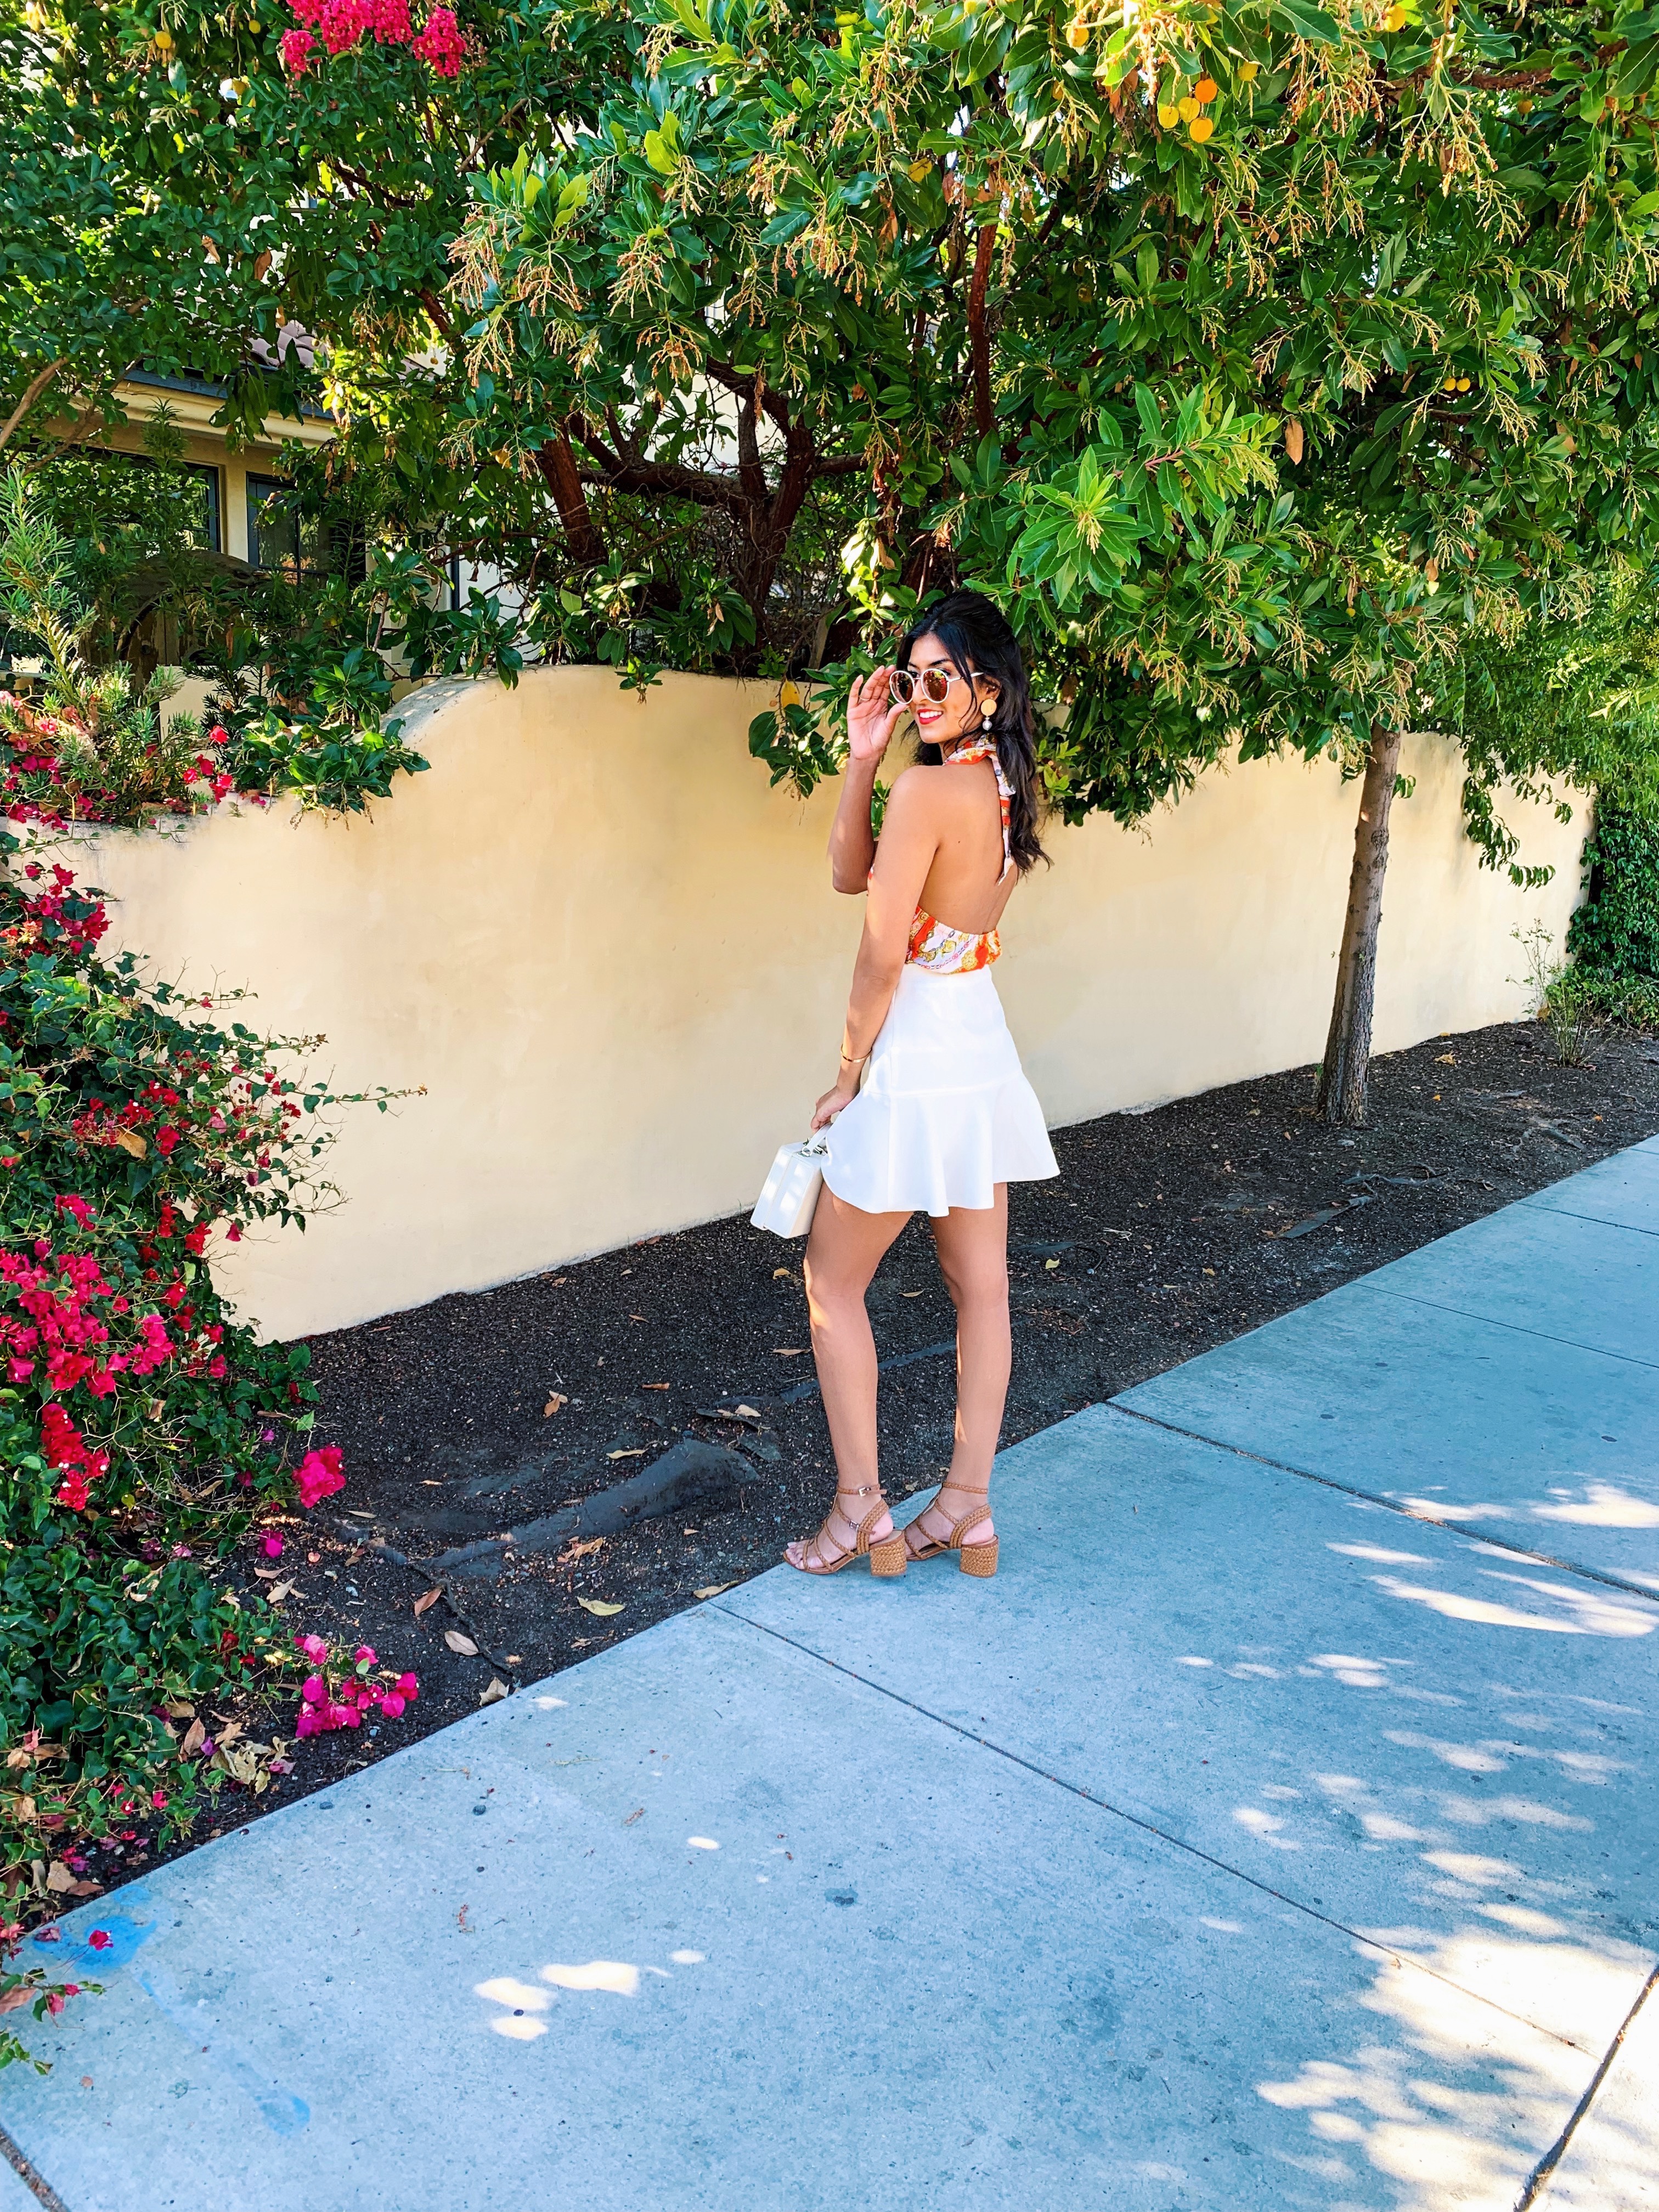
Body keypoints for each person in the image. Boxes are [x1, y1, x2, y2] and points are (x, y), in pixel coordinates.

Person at [783, 590, 1059, 1581]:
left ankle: (860, 1507)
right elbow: (851, 873)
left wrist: (847, 1072)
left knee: (832, 1279)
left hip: (914, 1052)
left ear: (990, 689)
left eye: (944, 679)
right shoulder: (1009, 789)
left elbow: (880, 950)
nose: (923, 696)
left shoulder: (927, 794)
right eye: (913, 679)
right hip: (977, 1040)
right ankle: (966, 1506)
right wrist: (862, 757)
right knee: (981, 1285)